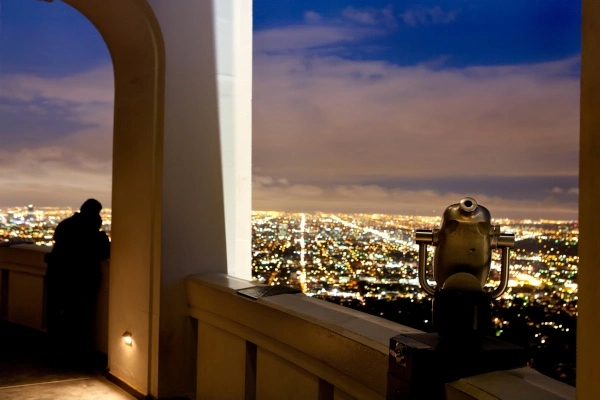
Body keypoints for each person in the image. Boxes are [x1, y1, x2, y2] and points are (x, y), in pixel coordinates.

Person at [45, 199, 110, 362]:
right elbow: (104, 251)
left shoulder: (65, 225)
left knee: (55, 312)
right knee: (78, 315)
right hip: (80, 279)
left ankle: (56, 349)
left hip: (57, 274)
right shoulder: (90, 230)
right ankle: (75, 352)